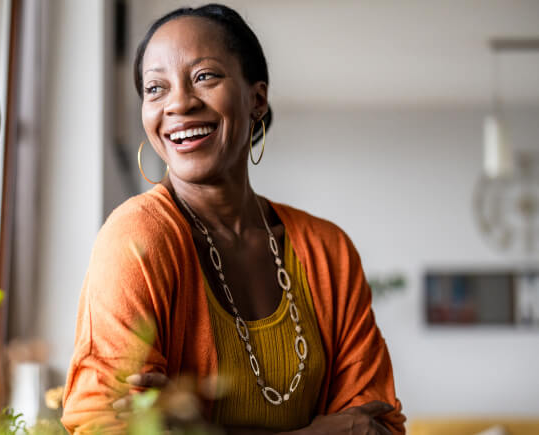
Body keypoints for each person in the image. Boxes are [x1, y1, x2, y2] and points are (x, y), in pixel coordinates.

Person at [62, 4, 405, 434]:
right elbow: (103, 423)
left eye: (205, 76)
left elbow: (378, 426)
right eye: (155, 88)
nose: (179, 103)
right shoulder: (137, 238)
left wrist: (193, 429)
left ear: (256, 99)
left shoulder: (327, 249)